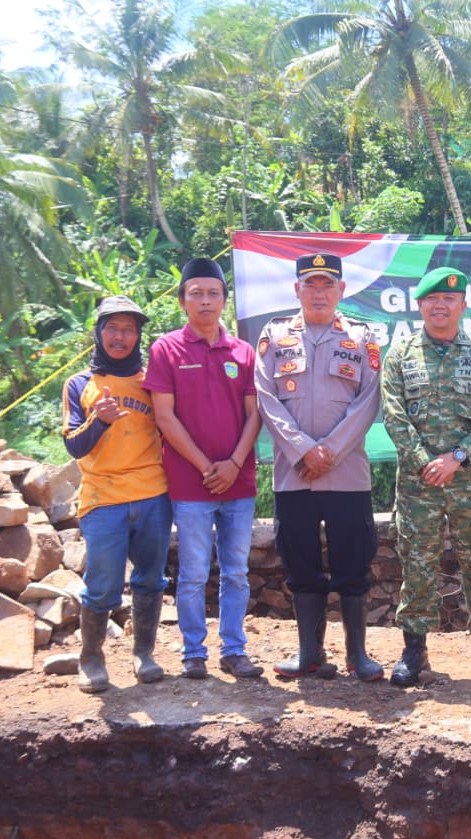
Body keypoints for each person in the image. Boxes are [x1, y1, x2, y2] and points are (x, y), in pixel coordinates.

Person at [255, 252, 385, 681]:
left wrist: (327, 452)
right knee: (301, 564)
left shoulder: (362, 338)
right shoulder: (274, 337)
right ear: (297, 290)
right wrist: (302, 451)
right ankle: (309, 653)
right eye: (310, 284)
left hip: (347, 476)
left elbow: (369, 401)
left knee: (353, 563)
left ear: (342, 290)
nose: (318, 292)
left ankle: (357, 655)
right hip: (294, 476)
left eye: (327, 284)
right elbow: (266, 399)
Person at [380, 266, 471, 686]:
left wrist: (456, 458)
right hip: (418, 486)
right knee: (417, 565)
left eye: (449, 299)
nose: (441, 305)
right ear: (419, 305)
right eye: (433, 299)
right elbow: (394, 416)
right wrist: (424, 461)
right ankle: (414, 651)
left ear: (463, 304)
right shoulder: (400, 356)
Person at [144, 257, 264, 680]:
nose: (205, 300)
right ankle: (193, 653)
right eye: (196, 293)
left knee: (237, 573)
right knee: (193, 575)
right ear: (182, 301)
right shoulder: (166, 350)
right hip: (189, 485)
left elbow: (255, 414)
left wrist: (233, 464)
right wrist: (206, 466)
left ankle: (234, 649)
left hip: (239, 484)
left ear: (225, 300)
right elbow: (164, 417)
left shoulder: (243, 352)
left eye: (213, 293)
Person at [61, 295, 172, 694]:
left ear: (138, 336)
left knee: (151, 580)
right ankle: (91, 658)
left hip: (153, 494)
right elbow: (74, 446)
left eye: (129, 329)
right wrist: (99, 420)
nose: (120, 337)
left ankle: (144, 654)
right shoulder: (79, 385)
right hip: (102, 498)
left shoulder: (152, 381)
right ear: (98, 332)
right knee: (103, 583)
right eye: (112, 328)